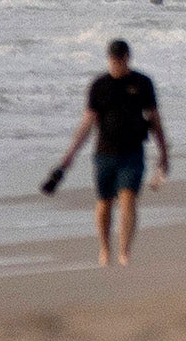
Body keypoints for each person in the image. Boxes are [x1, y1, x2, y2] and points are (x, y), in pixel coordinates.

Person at [54, 38, 169, 267]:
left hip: (132, 152)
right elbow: (88, 122)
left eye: (120, 59)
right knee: (104, 203)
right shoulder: (99, 86)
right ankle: (105, 249)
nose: (116, 64)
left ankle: (124, 251)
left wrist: (164, 152)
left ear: (127, 58)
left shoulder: (142, 83)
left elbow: (154, 118)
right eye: (113, 59)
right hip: (104, 152)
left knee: (128, 199)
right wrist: (70, 154)